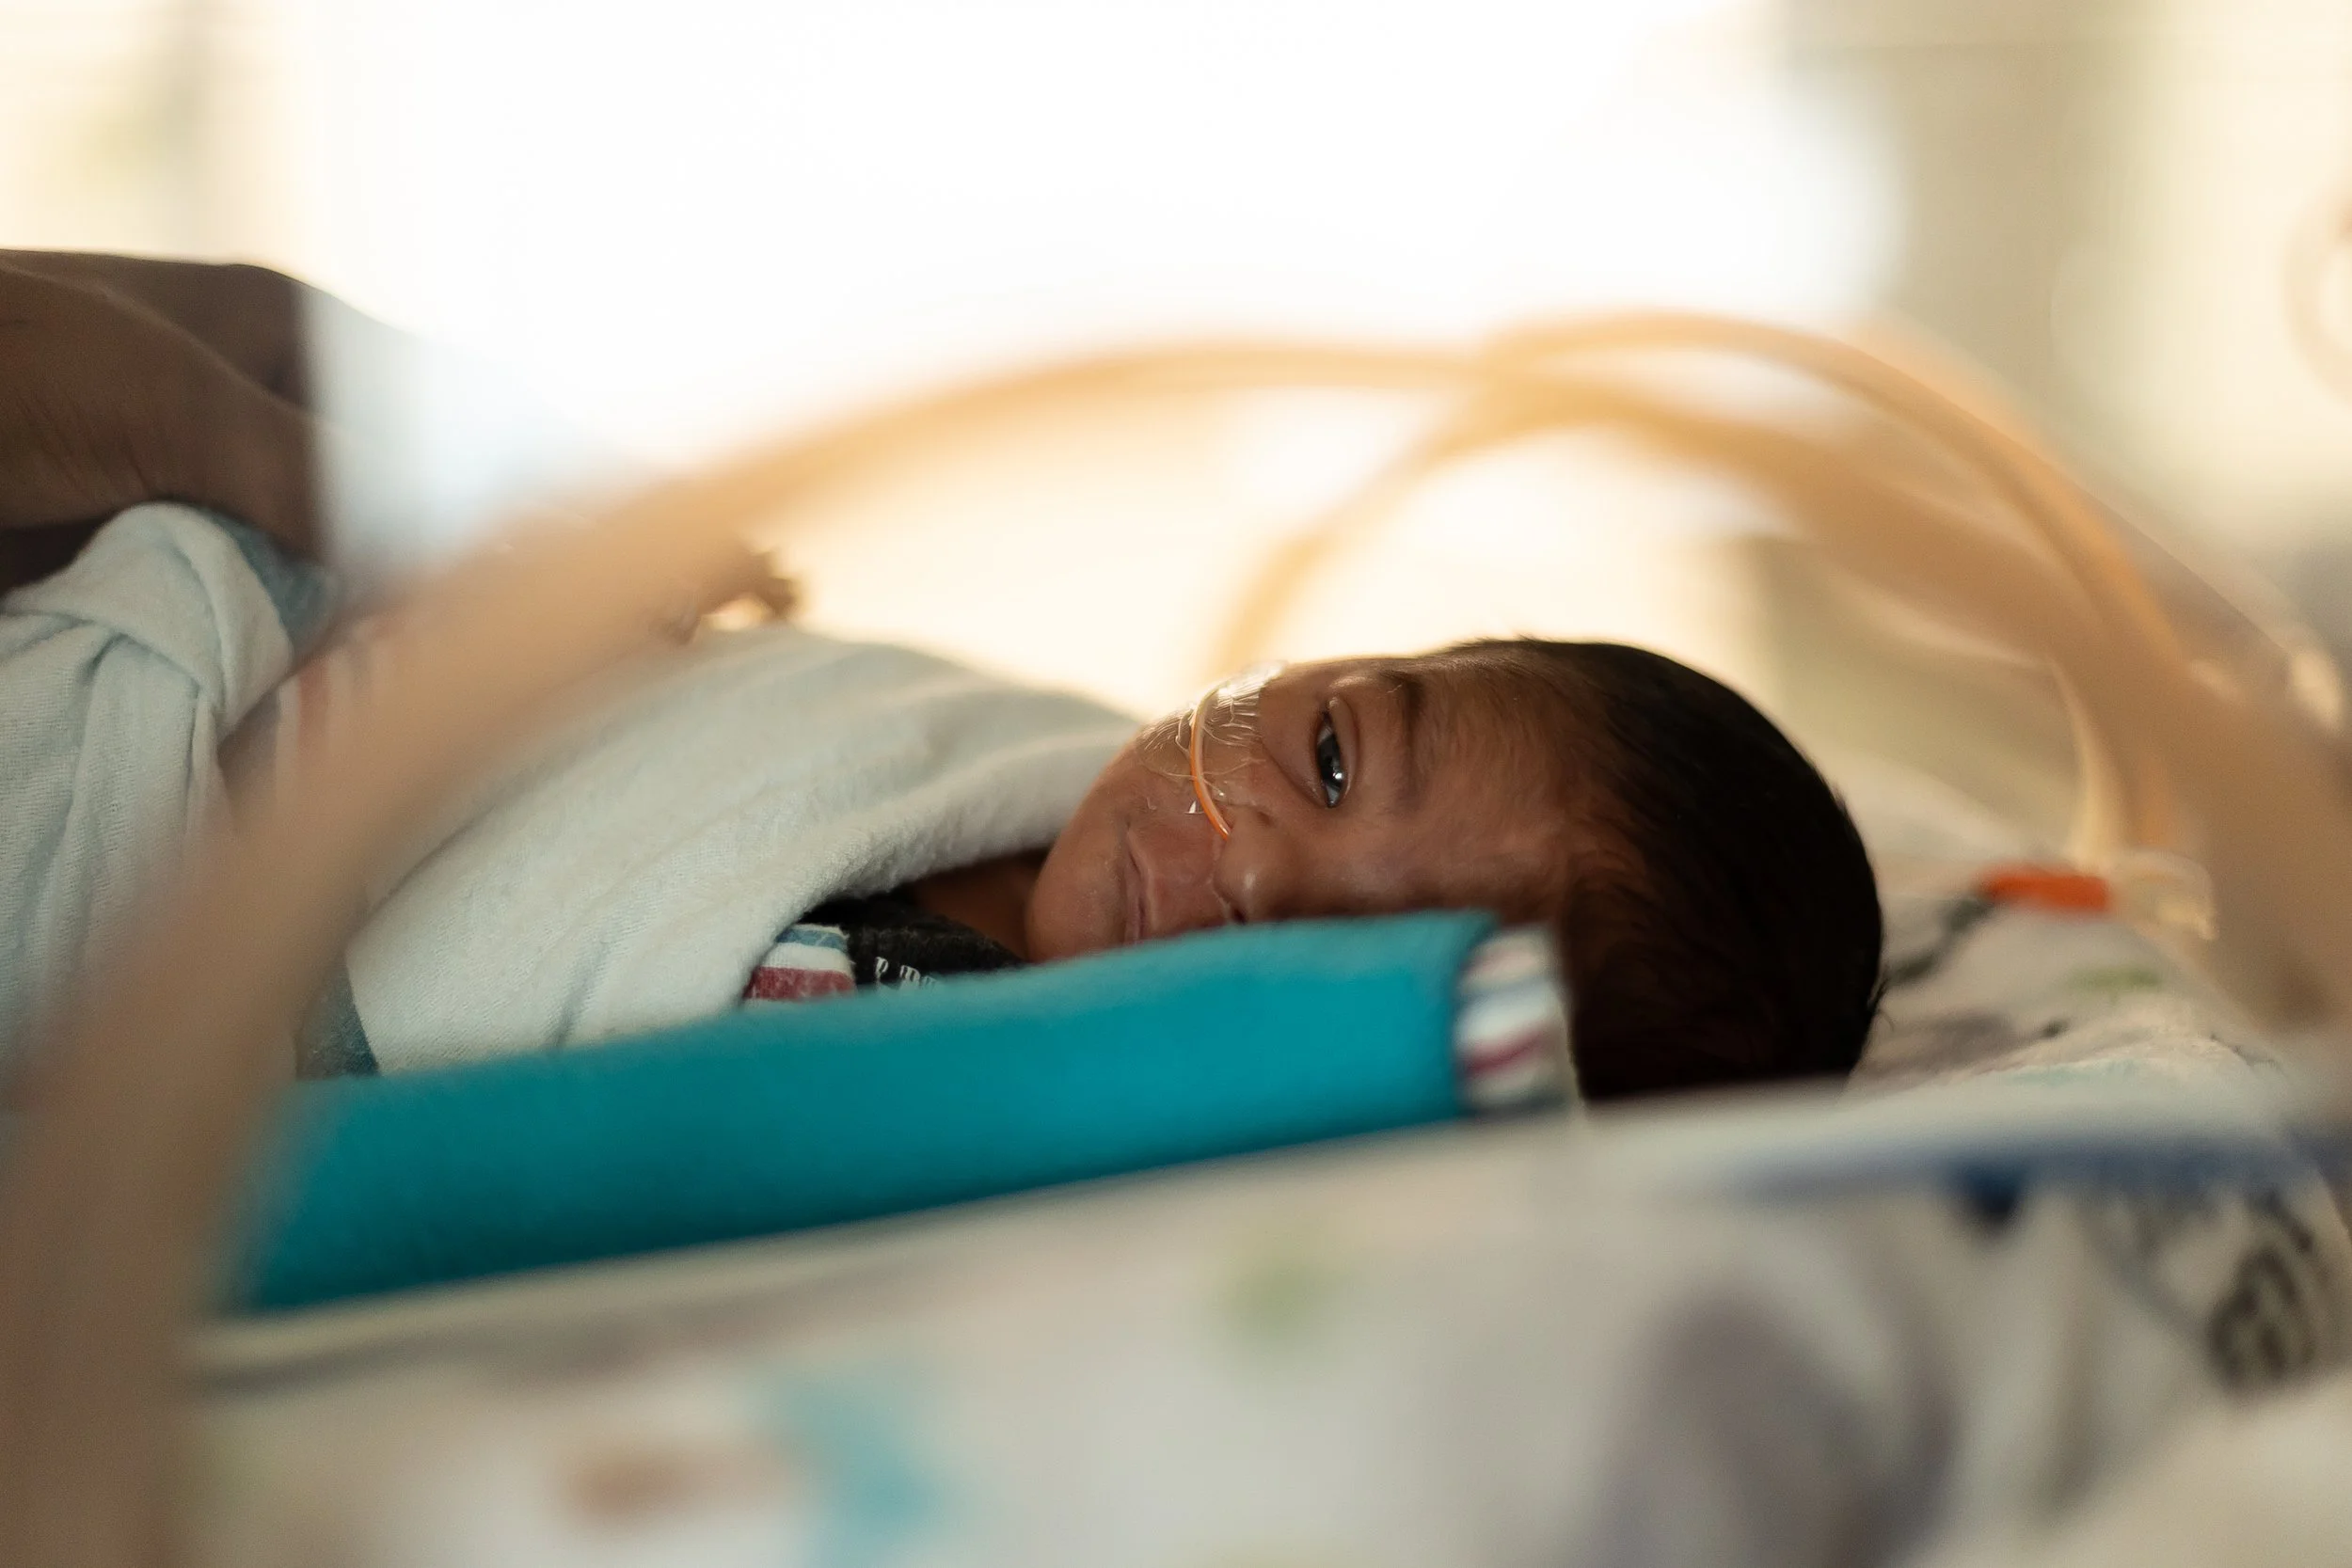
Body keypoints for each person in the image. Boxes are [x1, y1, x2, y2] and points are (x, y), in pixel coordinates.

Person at [0, 252, 1883, 1099]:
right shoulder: (1019, 752)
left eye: (1358, 947)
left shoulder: (944, 1065)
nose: (1237, 869)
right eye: (1321, 753)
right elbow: (748, 700)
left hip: (134, 787)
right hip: (283, 592)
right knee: (265, 335)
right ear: (1316, 664)